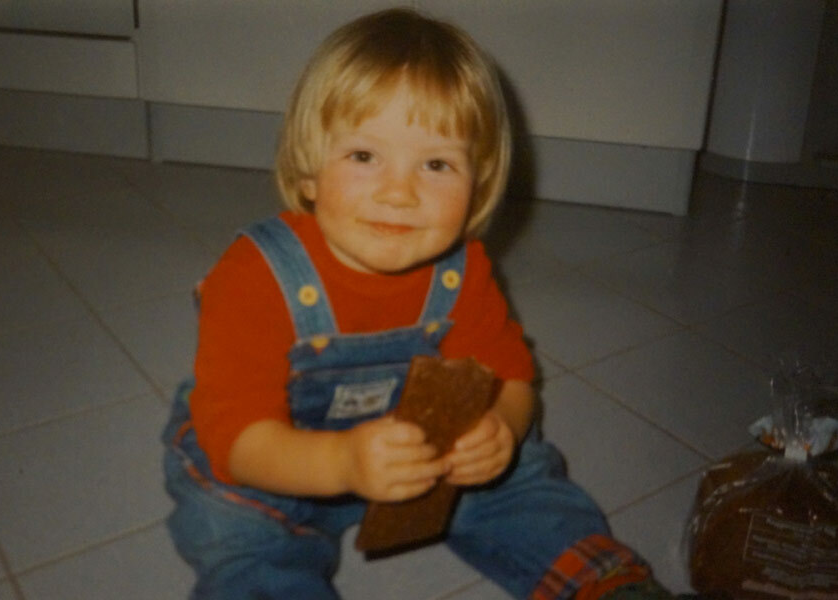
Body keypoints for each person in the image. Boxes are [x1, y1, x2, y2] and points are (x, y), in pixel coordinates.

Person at [163, 8, 684, 600]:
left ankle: (606, 587)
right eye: (364, 156)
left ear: (478, 187)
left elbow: (510, 376)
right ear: (309, 169)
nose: (399, 192)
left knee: (526, 482)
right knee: (238, 536)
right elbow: (239, 441)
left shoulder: (463, 272)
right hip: (275, 463)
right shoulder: (256, 272)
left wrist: (501, 431)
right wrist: (344, 463)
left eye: (436, 165)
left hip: (425, 460)